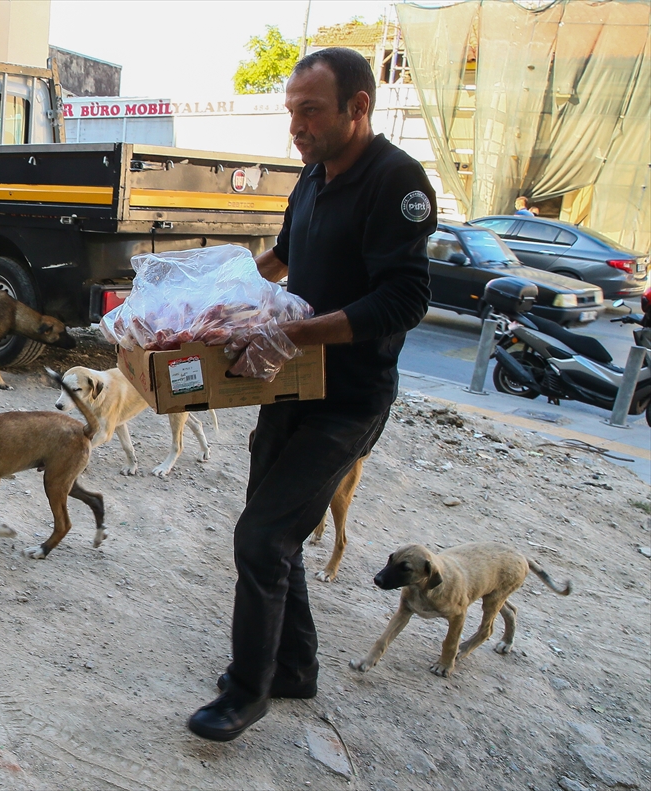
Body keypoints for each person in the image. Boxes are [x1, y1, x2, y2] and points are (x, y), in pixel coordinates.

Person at [186, 47, 437, 742]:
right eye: (292, 112)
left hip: (349, 398)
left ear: (359, 107)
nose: (295, 126)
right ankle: (293, 666)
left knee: (262, 537)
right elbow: (283, 257)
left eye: (311, 111)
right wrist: (210, 302)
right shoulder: (315, 174)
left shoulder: (397, 181)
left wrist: (296, 334)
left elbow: (406, 298)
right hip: (290, 382)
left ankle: (248, 691)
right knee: (273, 528)